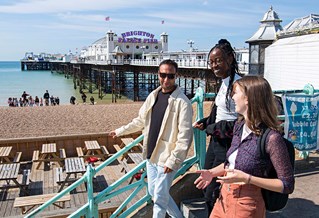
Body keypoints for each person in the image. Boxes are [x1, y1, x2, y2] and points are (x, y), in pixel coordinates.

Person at [194, 76, 295, 218]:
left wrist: (248, 179)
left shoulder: (272, 138)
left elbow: (287, 184)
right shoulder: (239, 127)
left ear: (248, 98)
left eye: (236, 93)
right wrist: (211, 173)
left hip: (246, 203)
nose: (233, 97)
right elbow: (232, 164)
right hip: (224, 197)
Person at [109, 59, 193, 218]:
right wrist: (120, 131)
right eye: (163, 75)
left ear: (176, 76)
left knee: (160, 199)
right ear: (158, 74)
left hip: (166, 158)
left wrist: (173, 160)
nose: (166, 80)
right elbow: (140, 121)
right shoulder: (153, 95)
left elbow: (185, 136)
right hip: (151, 154)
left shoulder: (183, 102)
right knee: (153, 191)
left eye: (170, 76)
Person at [193, 39, 241, 211]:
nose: (214, 65)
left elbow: (240, 121)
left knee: (215, 188)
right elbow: (220, 112)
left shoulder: (239, 85)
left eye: (218, 60)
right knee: (206, 181)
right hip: (216, 141)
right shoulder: (225, 82)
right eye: (211, 62)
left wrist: (211, 128)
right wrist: (206, 121)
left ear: (230, 58)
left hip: (228, 144)